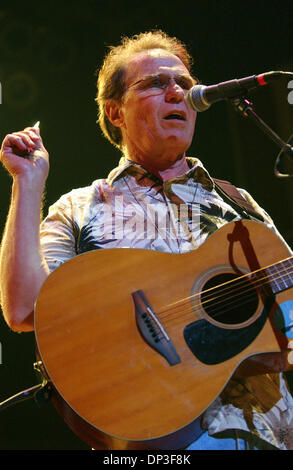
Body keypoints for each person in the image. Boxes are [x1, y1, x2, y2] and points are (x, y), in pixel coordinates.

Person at [0, 30, 293, 451]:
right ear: (115, 111)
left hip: (273, 433)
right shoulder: (83, 207)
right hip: (161, 438)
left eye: (187, 85)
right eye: (156, 84)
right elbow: (26, 309)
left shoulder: (239, 205)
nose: (178, 93)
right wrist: (28, 183)